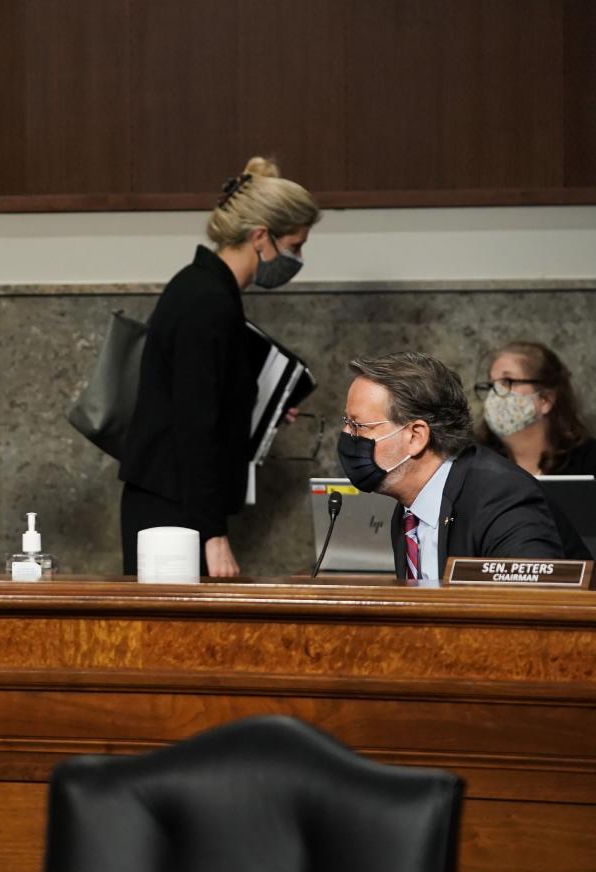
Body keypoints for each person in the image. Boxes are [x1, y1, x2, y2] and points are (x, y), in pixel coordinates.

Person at [119, 157, 320, 577]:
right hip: (175, 517)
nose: (298, 258)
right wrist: (211, 534)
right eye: (295, 246)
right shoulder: (207, 302)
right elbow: (194, 425)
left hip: (176, 505)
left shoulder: (203, 289)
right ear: (261, 237)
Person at [339, 352, 562, 581]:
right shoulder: (408, 513)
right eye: (346, 423)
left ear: (416, 436)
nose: (346, 435)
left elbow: (531, 606)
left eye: (358, 425)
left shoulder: (502, 499)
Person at [475, 341, 596, 475]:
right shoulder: (473, 461)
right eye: (491, 384)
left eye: (508, 381)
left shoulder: (588, 462)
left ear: (545, 400)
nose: (495, 393)